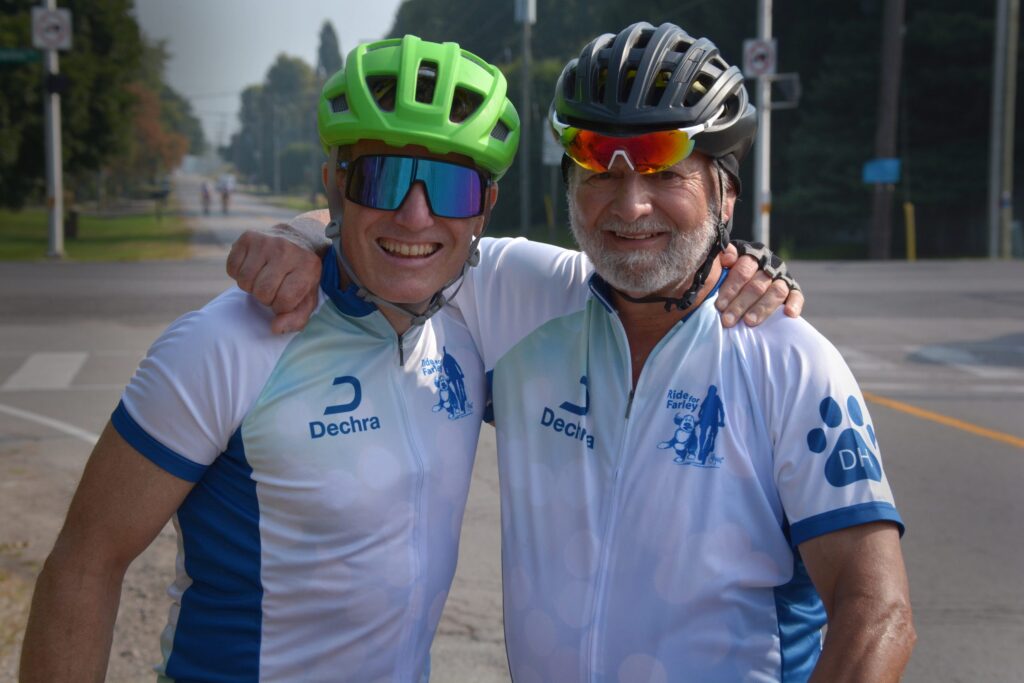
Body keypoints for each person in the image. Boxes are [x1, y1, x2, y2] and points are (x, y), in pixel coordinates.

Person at [19, 33, 793, 683]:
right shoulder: (225, 344)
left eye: (449, 186)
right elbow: (84, 564)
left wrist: (749, 266)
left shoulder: (486, 312)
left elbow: (655, 266)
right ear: (336, 183)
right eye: (382, 176)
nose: (415, 215)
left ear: (485, 209)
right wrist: (297, 233)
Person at [229, 23, 913, 682]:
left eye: (663, 172)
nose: (630, 205)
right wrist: (298, 236)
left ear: (725, 193)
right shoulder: (517, 294)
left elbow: (877, 612)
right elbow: (399, 232)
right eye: (599, 172)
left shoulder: (790, 361)